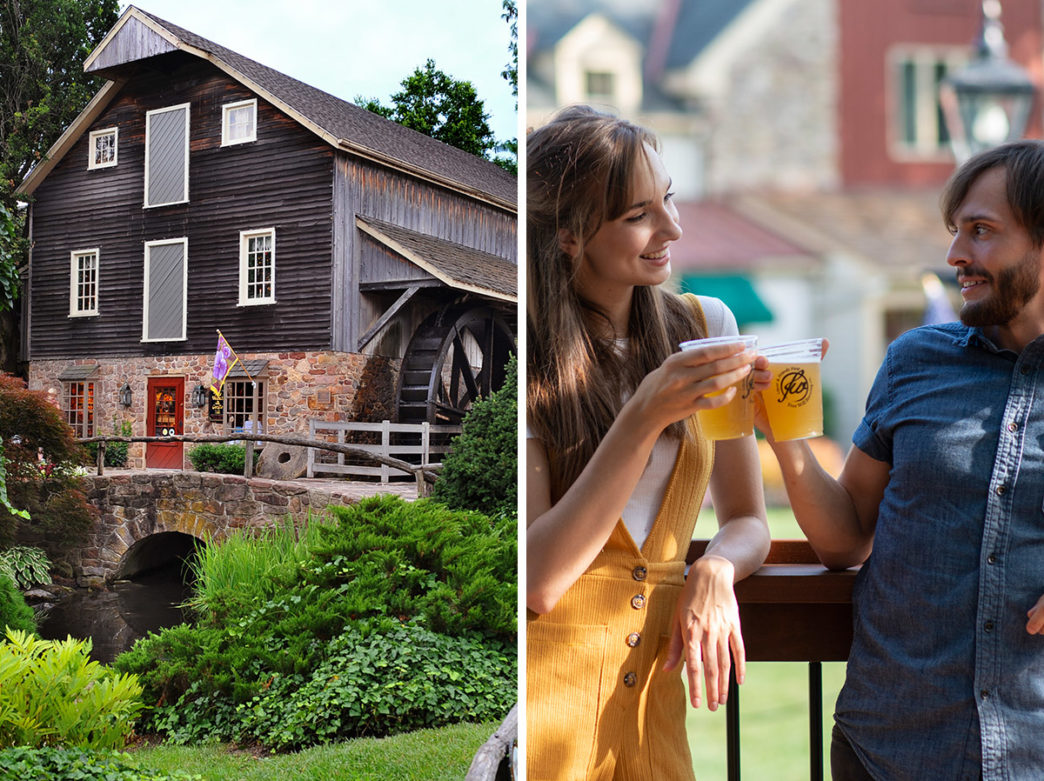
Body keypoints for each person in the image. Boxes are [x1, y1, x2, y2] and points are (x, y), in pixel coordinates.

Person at [761, 139, 1044, 780]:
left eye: (981, 231)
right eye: (956, 232)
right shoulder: (916, 357)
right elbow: (845, 538)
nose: (955, 256)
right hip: (889, 748)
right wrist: (781, 430)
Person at [526, 105, 772, 780]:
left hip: (653, 714)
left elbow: (749, 518)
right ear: (572, 235)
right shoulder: (527, 354)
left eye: (668, 199)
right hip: (549, 709)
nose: (672, 228)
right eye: (639, 214)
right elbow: (540, 580)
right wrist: (642, 414)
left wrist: (715, 569)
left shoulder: (707, 325)